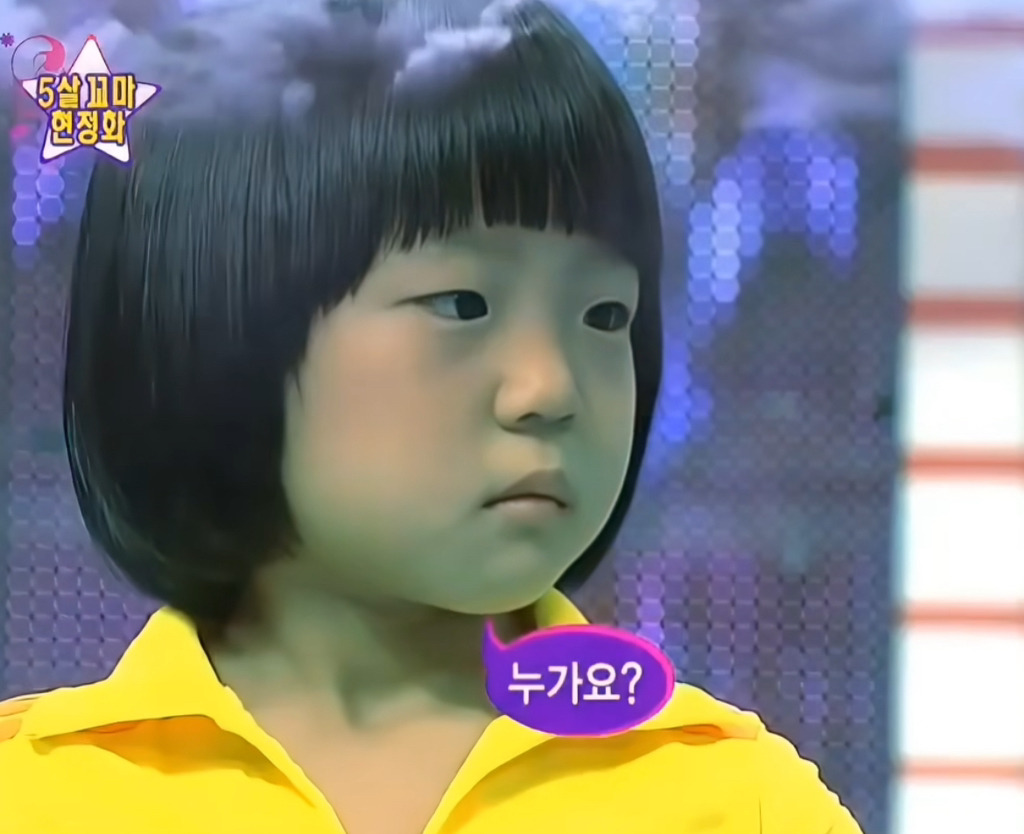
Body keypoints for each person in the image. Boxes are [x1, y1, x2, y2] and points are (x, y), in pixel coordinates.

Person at [0, 1, 865, 832]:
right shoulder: (33, 799)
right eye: (462, 304)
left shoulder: (742, 807)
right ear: (213, 328)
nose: (549, 389)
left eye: (605, 315)